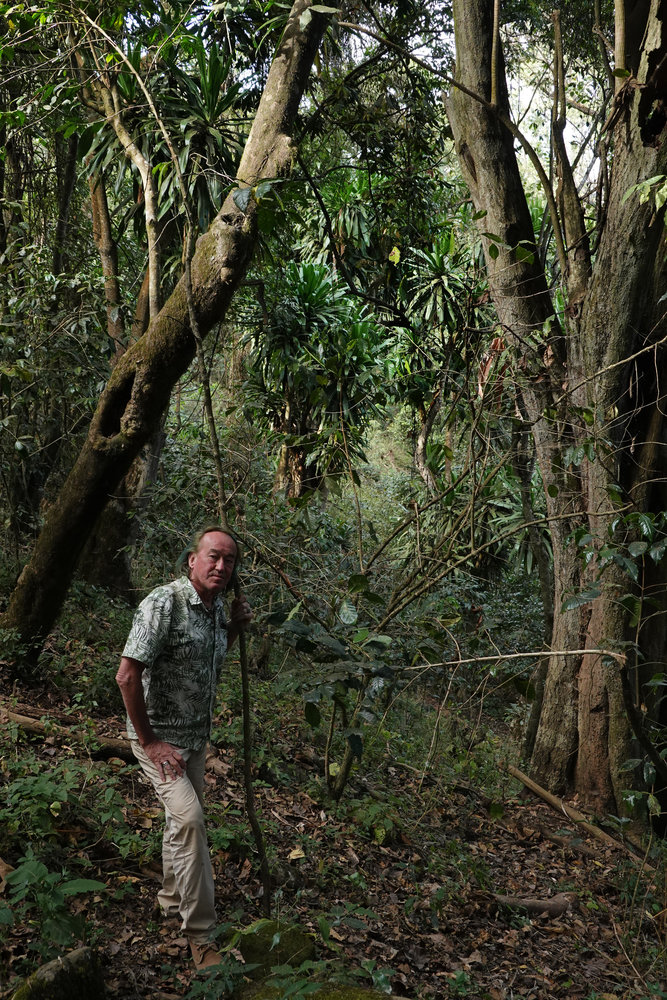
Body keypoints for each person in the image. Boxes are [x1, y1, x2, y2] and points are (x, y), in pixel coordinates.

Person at [116, 525, 252, 970]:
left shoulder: (215, 608)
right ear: (192, 560)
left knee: (181, 821)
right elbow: (127, 675)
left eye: (229, 560)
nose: (221, 566)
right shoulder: (165, 602)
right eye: (213, 556)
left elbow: (208, 658)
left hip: (195, 739)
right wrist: (151, 742)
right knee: (191, 820)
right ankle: (201, 936)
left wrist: (234, 629)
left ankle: (172, 899)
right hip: (160, 740)